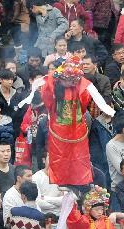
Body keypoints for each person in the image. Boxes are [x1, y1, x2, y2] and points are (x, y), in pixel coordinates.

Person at [24, 53, 114, 186]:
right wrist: (51, 79)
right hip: (58, 131)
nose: (69, 82)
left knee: (79, 159)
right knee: (60, 160)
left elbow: (84, 105)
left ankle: (79, 182)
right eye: (66, 79)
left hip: (77, 130)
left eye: (73, 80)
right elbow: (47, 100)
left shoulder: (80, 88)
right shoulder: (53, 88)